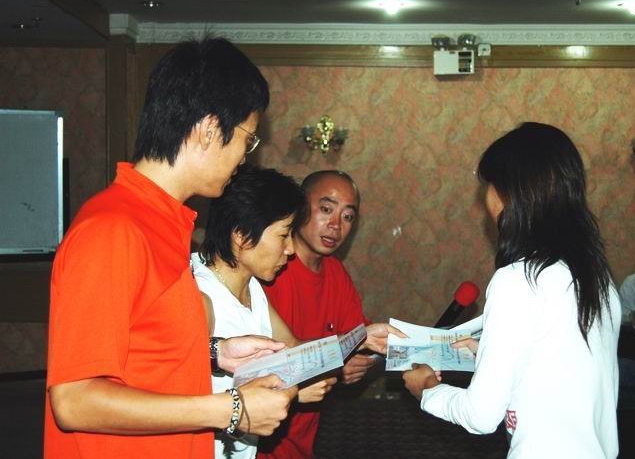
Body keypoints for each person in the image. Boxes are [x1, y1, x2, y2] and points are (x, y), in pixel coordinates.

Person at [45, 37, 297, 459]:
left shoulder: (163, 223)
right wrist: (231, 409)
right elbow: (75, 400)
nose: (244, 158)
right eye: (247, 140)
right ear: (209, 130)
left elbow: (140, 348)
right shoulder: (113, 230)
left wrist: (215, 352)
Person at [403, 122, 621, 459]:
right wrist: (485, 352)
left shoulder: (519, 279)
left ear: (509, 192)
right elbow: (565, 370)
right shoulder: (596, 277)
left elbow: (480, 416)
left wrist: (427, 389)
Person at [192, 164, 338, 458]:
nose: (290, 250)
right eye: (283, 235)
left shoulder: (251, 285)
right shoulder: (198, 295)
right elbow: (183, 408)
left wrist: (357, 341)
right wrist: (292, 390)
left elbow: (291, 348)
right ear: (242, 236)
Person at [258, 170, 403, 459]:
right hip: (257, 437)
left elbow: (358, 341)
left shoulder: (335, 272)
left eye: (348, 216)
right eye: (326, 209)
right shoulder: (268, 271)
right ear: (300, 206)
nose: (336, 225)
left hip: (302, 441)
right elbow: (262, 364)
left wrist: (359, 361)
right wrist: (336, 362)